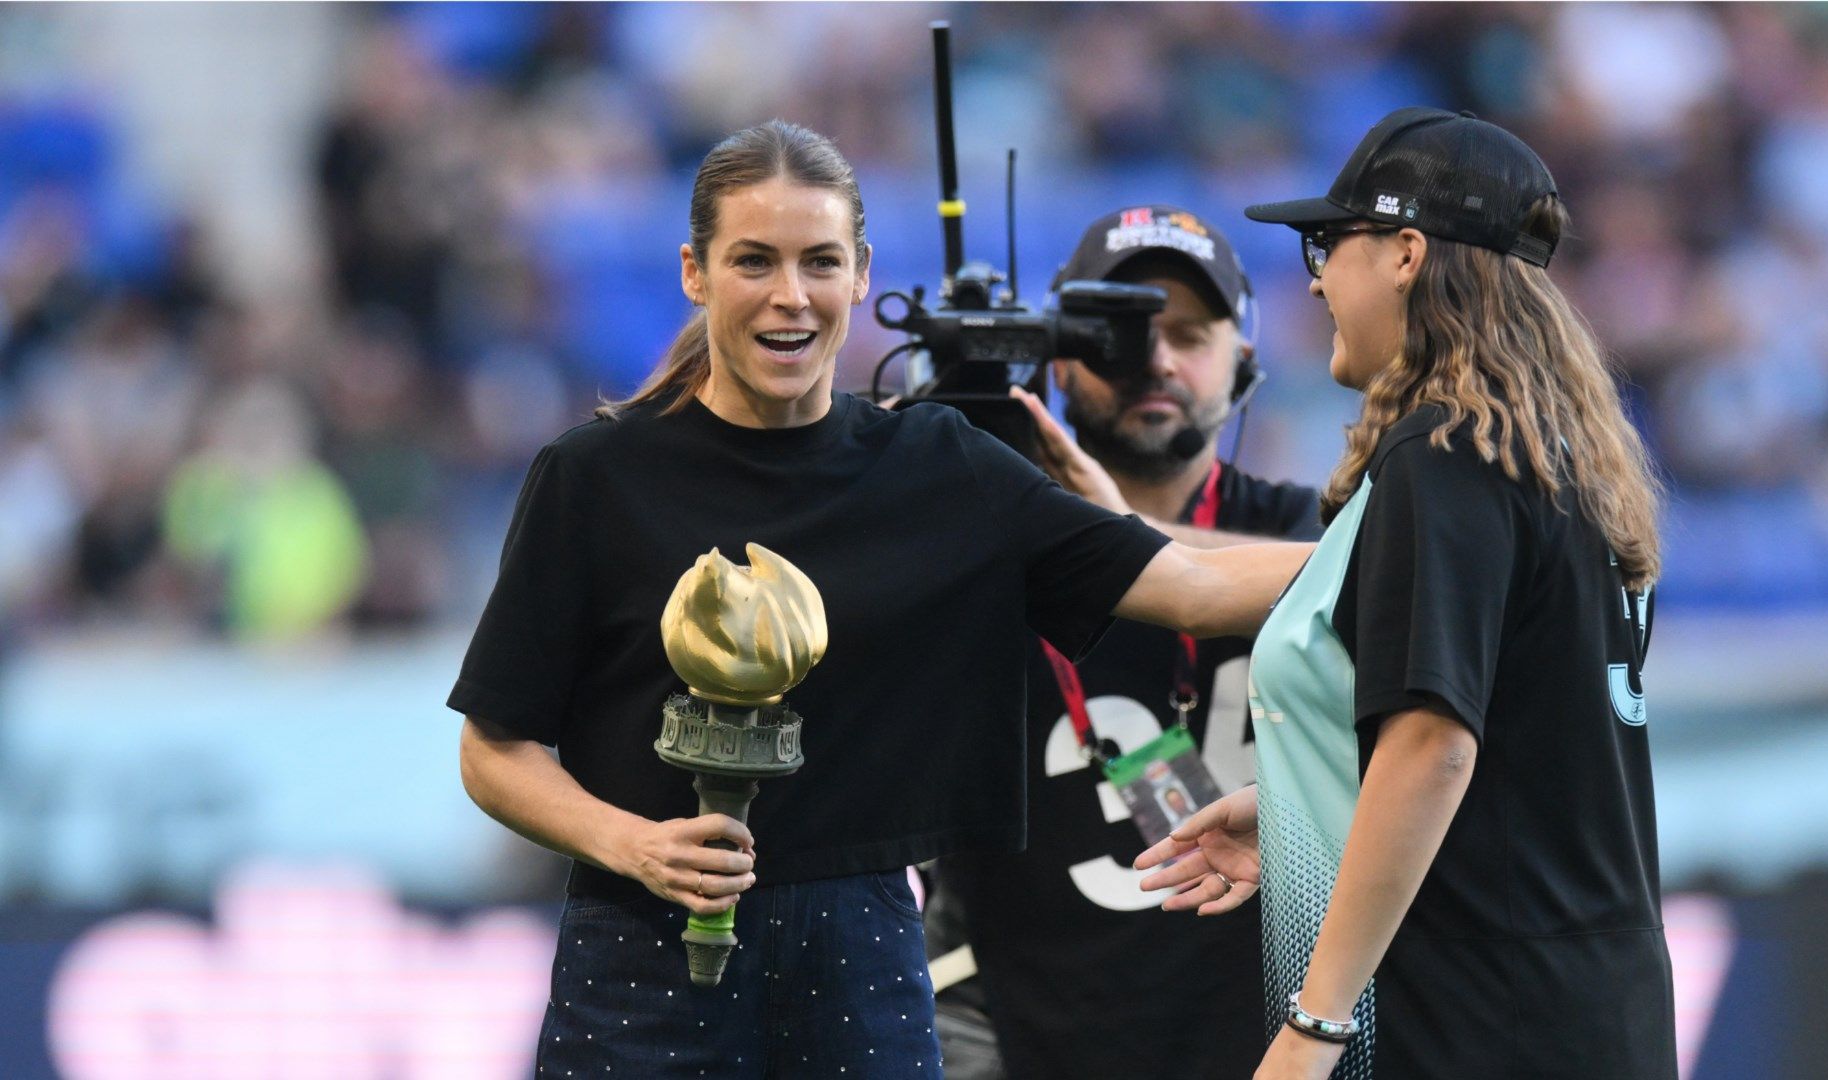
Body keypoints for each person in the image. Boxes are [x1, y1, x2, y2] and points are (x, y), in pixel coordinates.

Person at [449, 121, 1312, 1077]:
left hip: (860, 961)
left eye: (820, 261)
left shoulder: (938, 467)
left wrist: (1434, 547)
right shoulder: (593, 477)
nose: (790, 295)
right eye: (753, 261)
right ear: (695, 273)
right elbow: (495, 750)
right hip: (641, 954)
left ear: (862, 275)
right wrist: (632, 844)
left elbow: (1189, 587)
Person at [1103, 108, 1673, 1079]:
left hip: (1486, 1025)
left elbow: (1435, 746)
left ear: (1406, 253)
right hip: (1588, 1007)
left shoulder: (1447, 457)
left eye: (1329, 243)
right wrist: (1307, 816)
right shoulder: (1551, 454)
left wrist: (1314, 1028)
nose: (1316, 277)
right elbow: (1521, 761)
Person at [934, 206, 1321, 1080]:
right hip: (1013, 1038)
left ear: (1245, 362)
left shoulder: (1317, 531)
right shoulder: (975, 533)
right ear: (1058, 358)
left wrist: (1116, 535)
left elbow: (1392, 577)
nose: (1156, 359)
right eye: (1119, 332)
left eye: (1190, 333)